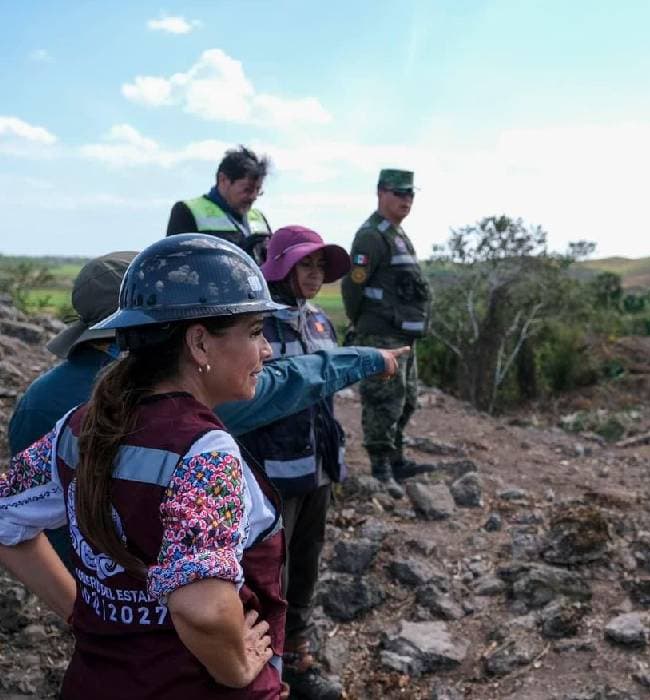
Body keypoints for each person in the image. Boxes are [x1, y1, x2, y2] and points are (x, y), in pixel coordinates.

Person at [0, 235, 403, 699]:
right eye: (255, 332)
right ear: (199, 343)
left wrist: (83, 615)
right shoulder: (205, 454)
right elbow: (205, 610)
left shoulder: (79, 426)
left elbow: (8, 519)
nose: (266, 350)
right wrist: (238, 669)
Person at [9, 250, 407, 568]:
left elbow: (19, 513)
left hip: (95, 599)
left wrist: (76, 608)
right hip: (171, 626)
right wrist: (366, 359)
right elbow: (289, 380)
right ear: (191, 338)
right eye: (255, 332)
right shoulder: (199, 435)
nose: (265, 349)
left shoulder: (44, 404)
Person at [240, 226, 351, 699]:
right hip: (271, 474)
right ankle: (261, 669)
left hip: (318, 470)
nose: (315, 274)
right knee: (268, 573)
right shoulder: (257, 324)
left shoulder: (320, 321)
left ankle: (296, 656)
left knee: (306, 564)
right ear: (281, 265)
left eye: (321, 266)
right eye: (306, 264)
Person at [341, 169, 435, 496]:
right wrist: (362, 324)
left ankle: (396, 459)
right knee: (384, 400)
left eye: (410, 194)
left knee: (406, 400)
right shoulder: (371, 236)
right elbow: (353, 286)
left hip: (403, 333)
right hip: (380, 332)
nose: (406, 200)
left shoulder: (396, 233)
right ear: (381, 193)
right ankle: (380, 468)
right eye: (399, 193)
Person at [167, 146, 273, 263]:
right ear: (223, 180)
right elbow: (176, 264)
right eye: (247, 190)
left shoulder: (259, 218)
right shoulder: (186, 211)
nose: (253, 197)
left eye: (258, 190)